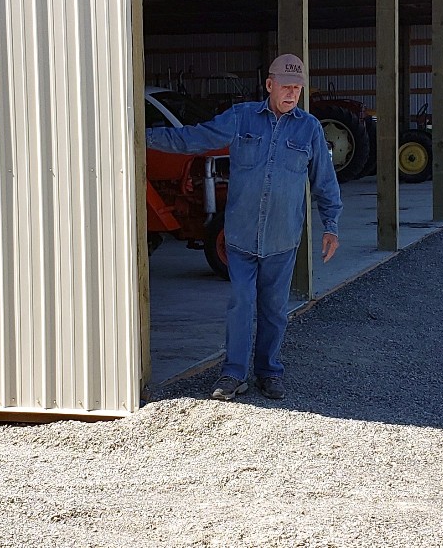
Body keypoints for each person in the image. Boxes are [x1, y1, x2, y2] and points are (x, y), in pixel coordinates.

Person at [146, 54, 343, 401]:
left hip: (282, 238)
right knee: (240, 304)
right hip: (239, 235)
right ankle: (233, 373)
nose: (292, 94)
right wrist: (142, 135)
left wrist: (332, 225)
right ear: (270, 85)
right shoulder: (241, 119)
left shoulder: (309, 128)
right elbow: (193, 138)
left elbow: (325, 182)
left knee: (274, 309)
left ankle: (269, 371)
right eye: (286, 86)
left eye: (297, 88)